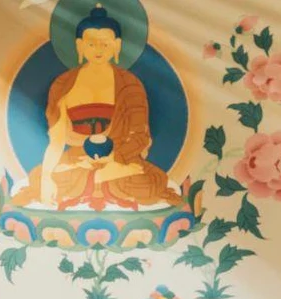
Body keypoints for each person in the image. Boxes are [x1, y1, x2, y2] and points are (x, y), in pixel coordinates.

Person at [10, 4, 183, 210]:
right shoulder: (63, 85)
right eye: (91, 44)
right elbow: (56, 140)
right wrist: (48, 177)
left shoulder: (129, 84)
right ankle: (98, 179)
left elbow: (140, 136)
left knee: (149, 181)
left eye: (105, 44)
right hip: (77, 161)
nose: (99, 50)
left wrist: (114, 158)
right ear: (80, 46)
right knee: (40, 178)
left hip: (120, 160)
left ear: (117, 46)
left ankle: (100, 178)